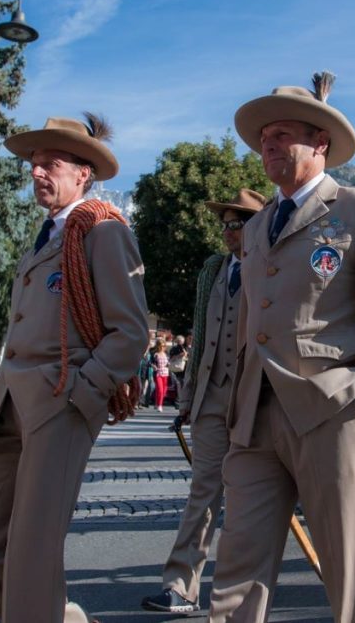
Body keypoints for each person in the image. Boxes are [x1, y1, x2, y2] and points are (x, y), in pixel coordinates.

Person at [208, 72, 355, 623]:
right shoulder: (255, 231)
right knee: (236, 563)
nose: (268, 145)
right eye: (263, 138)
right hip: (254, 417)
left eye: (281, 134)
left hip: (330, 409)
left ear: (319, 142)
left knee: (344, 565)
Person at [0, 114, 149, 623]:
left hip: (59, 403)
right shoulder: (46, 235)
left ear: (83, 173)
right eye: (34, 164)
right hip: (8, 408)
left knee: (32, 552)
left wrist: (81, 393)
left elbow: (130, 333)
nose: (37, 173)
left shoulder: (102, 231)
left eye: (50, 164)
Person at [140, 188, 266, 613]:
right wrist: (189, 396)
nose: (231, 232)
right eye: (227, 225)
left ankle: (237, 598)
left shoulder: (274, 265)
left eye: (241, 224)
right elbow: (201, 332)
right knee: (202, 491)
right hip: (212, 395)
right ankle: (181, 586)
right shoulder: (212, 269)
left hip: (258, 398)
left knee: (251, 498)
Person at [152, 338, 170, 412]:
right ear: (158, 346)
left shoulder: (166, 353)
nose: (163, 347)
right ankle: (160, 405)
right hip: (158, 373)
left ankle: (157, 403)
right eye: (161, 346)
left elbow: (169, 362)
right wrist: (154, 366)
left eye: (164, 346)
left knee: (164, 391)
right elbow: (151, 362)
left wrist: (169, 364)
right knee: (160, 390)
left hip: (165, 373)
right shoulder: (155, 354)